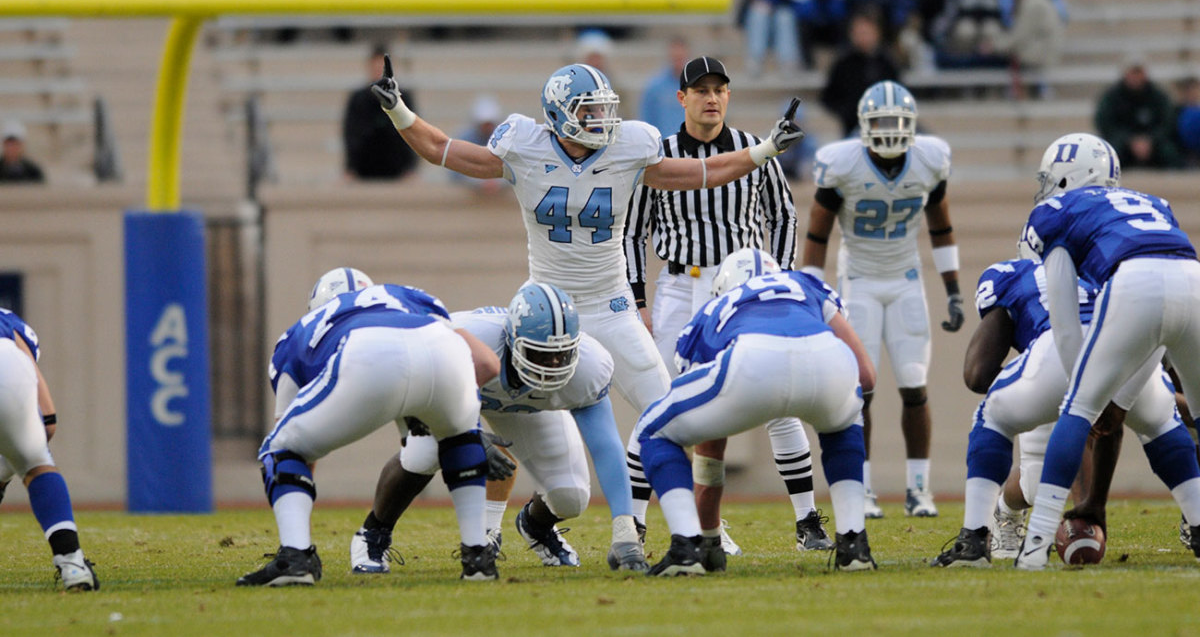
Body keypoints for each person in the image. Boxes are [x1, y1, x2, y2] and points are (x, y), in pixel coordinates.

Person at [368, 56, 804, 459]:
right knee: (525, 421)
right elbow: (443, 150)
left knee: (671, 414)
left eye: (604, 108)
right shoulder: (525, 145)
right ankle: (497, 522)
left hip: (610, 306)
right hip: (545, 309)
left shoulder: (628, 148)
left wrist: (765, 150)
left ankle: (688, 528)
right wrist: (398, 111)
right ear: (559, 112)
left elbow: (704, 173)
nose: (602, 119)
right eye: (589, 110)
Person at [624, 56, 831, 555]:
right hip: (680, 286)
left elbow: (783, 218)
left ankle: (807, 522)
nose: (711, 97)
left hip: (742, 288)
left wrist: (779, 279)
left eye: (719, 89)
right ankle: (636, 524)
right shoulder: (660, 153)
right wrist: (638, 299)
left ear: (729, 95)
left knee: (779, 400)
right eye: (701, 90)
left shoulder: (751, 148)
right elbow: (632, 231)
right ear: (682, 98)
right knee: (667, 405)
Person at [348, 283, 650, 573]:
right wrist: (471, 437)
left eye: (562, 354)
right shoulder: (466, 344)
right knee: (424, 454)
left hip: (527, 406)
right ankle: (373, 533)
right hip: (456, 396)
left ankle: (536, 525)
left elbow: (606, 445)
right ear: (512, 340)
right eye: (540, 355)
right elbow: (429, 399)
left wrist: (624, 527)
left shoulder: (589, 365)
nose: (553, 364)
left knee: (571, 496)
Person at [237, 268, 502, 585]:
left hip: (366, 354)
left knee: (279, 448)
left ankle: (296, 557)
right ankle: (478, 558)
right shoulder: (410, 295)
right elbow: (485, 363)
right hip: (440, 350)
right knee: (459, 439)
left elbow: (295, 449)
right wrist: (459, 422)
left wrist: (295, 504)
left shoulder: (300, 331)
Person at [928, 252, 1194, 567]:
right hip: (1122, 356)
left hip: (1056, 356)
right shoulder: (1115, 265)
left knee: (994, 416)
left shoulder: (1014, 275)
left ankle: (974, 538)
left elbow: (977, 375)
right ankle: (1197, 518)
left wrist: (1026, 385)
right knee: (1163, 419)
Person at [1015, 132, 1200, 569]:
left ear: (1066, 175)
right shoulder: (1152, 202)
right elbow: (1160, 337)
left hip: (1135, 282)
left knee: (1076, 409)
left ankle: (1035, 546)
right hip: (1193, 278)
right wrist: (1123, 397)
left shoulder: (1054, 212)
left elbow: (1063, 323)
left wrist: (1094, 397)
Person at [635, 248, 877, 576]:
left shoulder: (715, 308)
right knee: (846, 418)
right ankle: (853, 543)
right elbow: (866, 375)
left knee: (652, 428)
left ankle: (686, 546)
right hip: (827, 356)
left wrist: (710, 538)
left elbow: (710, 447)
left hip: (752, 360)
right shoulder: (804, 282)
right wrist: (843, 416)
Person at [802, 80, 960, 519]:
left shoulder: (929, 159)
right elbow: (817, 233)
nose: (889, 131)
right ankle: (865, 488)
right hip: (860, 281)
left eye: (896, 123)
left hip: (906, 278)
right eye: (881, 123)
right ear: (863, 125)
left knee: (914, 385)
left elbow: (941, 227)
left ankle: (919, 489)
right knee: (863, 391)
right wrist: (813, 297)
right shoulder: (843, 163)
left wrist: (952, 289)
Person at [0, 307, 97, 590]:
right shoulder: (9, 322)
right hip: (9, 370)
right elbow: (48, 418)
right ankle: (72, 564)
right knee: (37, 463)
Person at [342, 45, 420, 181]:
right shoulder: (358, 98)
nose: (378, 72)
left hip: (397, 168)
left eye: (382, 69)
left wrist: (411, 168)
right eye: (375, 68)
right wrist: (350, 168)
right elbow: (350, 133)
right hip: (364, 168)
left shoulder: (403, 97)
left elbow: (414, 131)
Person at [1094, 55, 1184, 170]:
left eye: (1139, 72)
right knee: (1111, 154)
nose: (1136, 77)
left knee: (1170, 152)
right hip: (1123, 143)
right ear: (1125, 73)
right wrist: (1129, 140)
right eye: (1133, 72)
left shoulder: (1158, 95)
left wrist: (1150, 140)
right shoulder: (1112, 96)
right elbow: (1105, 123)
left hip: (1154, 143)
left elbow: (1167, 122)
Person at [819, 12, 902, 138]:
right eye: (859, 33)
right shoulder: (842, 63)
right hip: (852, 129)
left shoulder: (887, 63)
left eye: (866, 32)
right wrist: (847, 112)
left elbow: (899, 93)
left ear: (877, 33)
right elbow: (828, 97)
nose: (863, 37)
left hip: (885, 129)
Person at [990, 0, 1065, 98]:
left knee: (1005, 50)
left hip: (1042, 51)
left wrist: (994, 46)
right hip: (1039, 45)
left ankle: (1020, 91)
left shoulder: (1031, 1)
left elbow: (1020, 35)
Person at [741, 0, 801, 77]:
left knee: (785, 16)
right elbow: (740, 20)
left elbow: (803, 15)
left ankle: (787, 61)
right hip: (762, 33)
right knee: (759, 13)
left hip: (781, 34)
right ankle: (756, 59)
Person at [449, 95, 506, 195]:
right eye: (484, 124)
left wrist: (497, 182)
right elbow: (455, 174)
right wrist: (481, 183)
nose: (487, 127)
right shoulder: (464, 138)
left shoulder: (507, 139)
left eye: (490, 123)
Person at [637, 37, 689, 138]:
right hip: (663, 147)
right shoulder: (654, 87)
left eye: (680, 57)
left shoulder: (697, 86)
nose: (678, 60)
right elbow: (647, 120)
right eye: (675, 56)